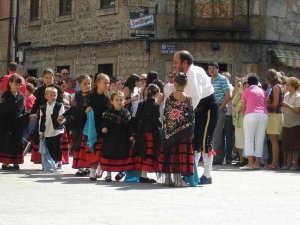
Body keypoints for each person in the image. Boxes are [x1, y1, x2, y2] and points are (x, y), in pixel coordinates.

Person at [172, 51, 217, 185]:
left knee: (204, 141)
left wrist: (187, 112)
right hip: (198, 108)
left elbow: (196, 95)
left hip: (208, 108)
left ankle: (207, 175)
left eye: (176, 62)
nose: (174, 65)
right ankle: (193, 172)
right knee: (195, 141)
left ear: (184, 63)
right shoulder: (188, 73)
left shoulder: (193, 73)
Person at [157, 73, 195, 187]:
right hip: (183, 132)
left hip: (169, 131)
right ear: (186, 84)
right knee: (179, 155)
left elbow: (166, 115)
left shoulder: (169, 99)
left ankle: (168, 179)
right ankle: (178, 180)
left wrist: (168, 129)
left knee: (169, 153)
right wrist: (191, 131)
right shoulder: (188, 99)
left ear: (175, 83)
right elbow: (191, 117)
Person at [59, 75, 92, 176]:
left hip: (87, 124)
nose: (87, 86)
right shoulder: (77, 95)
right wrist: (63, 115)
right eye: (85, 84)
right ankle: (80, 167)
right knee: (77, 145)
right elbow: (73, 108)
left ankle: (87, 167)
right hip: (77, 124)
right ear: (79, 84)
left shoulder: (93, 95)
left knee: (86, 146)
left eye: (89, 83)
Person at [100, 91, 135, 182]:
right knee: (108, 155)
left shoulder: (126, 113)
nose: (119, 102)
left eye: (121, 99)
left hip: (123, 138)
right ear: (112, 101)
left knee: (123, 155)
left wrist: (131, 135)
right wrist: (103, 127)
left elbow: (130, 125)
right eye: (117, 100)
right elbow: (103, 122)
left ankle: (121, 172)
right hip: (110, 138)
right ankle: (108, 175)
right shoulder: (108, 113)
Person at [134, 84, 162, 183]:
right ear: (157, 93)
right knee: (149, 153)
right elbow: (156, 119)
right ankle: (143, 175)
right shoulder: (155, 105)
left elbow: (137, 118)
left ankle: (143, 174)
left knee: (143, 152)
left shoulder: (141, 104)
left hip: (142, 131)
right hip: (151, 132)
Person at [240, 74, 268, 170]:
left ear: (249, 83)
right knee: (260, 139)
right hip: (264, 115)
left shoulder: (246, 91)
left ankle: (250, 164)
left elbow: (243, 107)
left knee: (249, 139)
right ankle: (257, 163)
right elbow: (265, 103)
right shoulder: (263, 91)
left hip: (250, 114)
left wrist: (243, 113)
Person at [0, 74, 28, 170]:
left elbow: (22, 109)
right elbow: (2, 109)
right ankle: (6, 163)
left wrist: (25, 116)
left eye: (18, 85)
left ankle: (16, 162)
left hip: (18, 123)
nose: (17, 87)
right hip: (7, 123)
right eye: (15, 84)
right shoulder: (6, 95)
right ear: (10, 83)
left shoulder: (21, 96)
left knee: (17, 142)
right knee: (7, 142)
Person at [87, 73, 110, 181]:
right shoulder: (90, 96)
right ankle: (92, 171)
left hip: (103, 127)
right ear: (98, 83)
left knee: (102, 150)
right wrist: (86, 109)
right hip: (93, 126)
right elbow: (85, 108)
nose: (107, 85)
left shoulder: (107, 97)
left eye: (108, 83)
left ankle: (100, 169)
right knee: (95, 150)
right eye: (105, 82)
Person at [209, 62, 232, 164]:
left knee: (216, 134)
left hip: (219, 108)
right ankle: (217, 156)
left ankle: (217, 158)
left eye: (213, 68)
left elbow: (228, 95)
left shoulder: (223, 79)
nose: (211, 70)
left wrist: (221, 107)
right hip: (211, 109)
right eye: (209, 69)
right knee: (213, 134)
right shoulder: (209, 80)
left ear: (218, 69)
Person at [39, 87, 65, 172]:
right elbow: (41, 121)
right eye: (51, 95)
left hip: (57, 130)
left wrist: (61, 120)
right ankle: (51, 163)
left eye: (55, 95)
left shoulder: (59, 105)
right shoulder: (42, 108)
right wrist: (41, 132)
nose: (53, 97)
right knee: (49, 147)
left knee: (57, 146)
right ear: (45, 96)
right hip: (47, 131)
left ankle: (59, 163)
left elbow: (63, 116)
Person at [265, 69, 283, 170]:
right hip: (276, 114)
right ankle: (274, 162)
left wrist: (267, 104)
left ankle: (274, 163)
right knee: (274, 140)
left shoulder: (275, 87)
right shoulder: (278, 86)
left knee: (274, 140)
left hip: (275, 114)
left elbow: (275, 104)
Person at [281, 77, 300, 170]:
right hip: (286, 123)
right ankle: (288, 164)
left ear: (294, 86)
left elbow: (297, 110)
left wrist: (287, 106)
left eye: (288, 84)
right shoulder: (286, 95)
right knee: (287, 145)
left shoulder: (298, 96)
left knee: (295, 146)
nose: (286, 86)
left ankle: (295, 164)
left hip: (295, 124)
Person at [222, 71, 234, 164]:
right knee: (220, 136)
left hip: (228, 115)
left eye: (225, 77)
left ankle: (228, 157)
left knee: (228, 137)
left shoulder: (232, 88)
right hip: (223, 114)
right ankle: (222, 156)